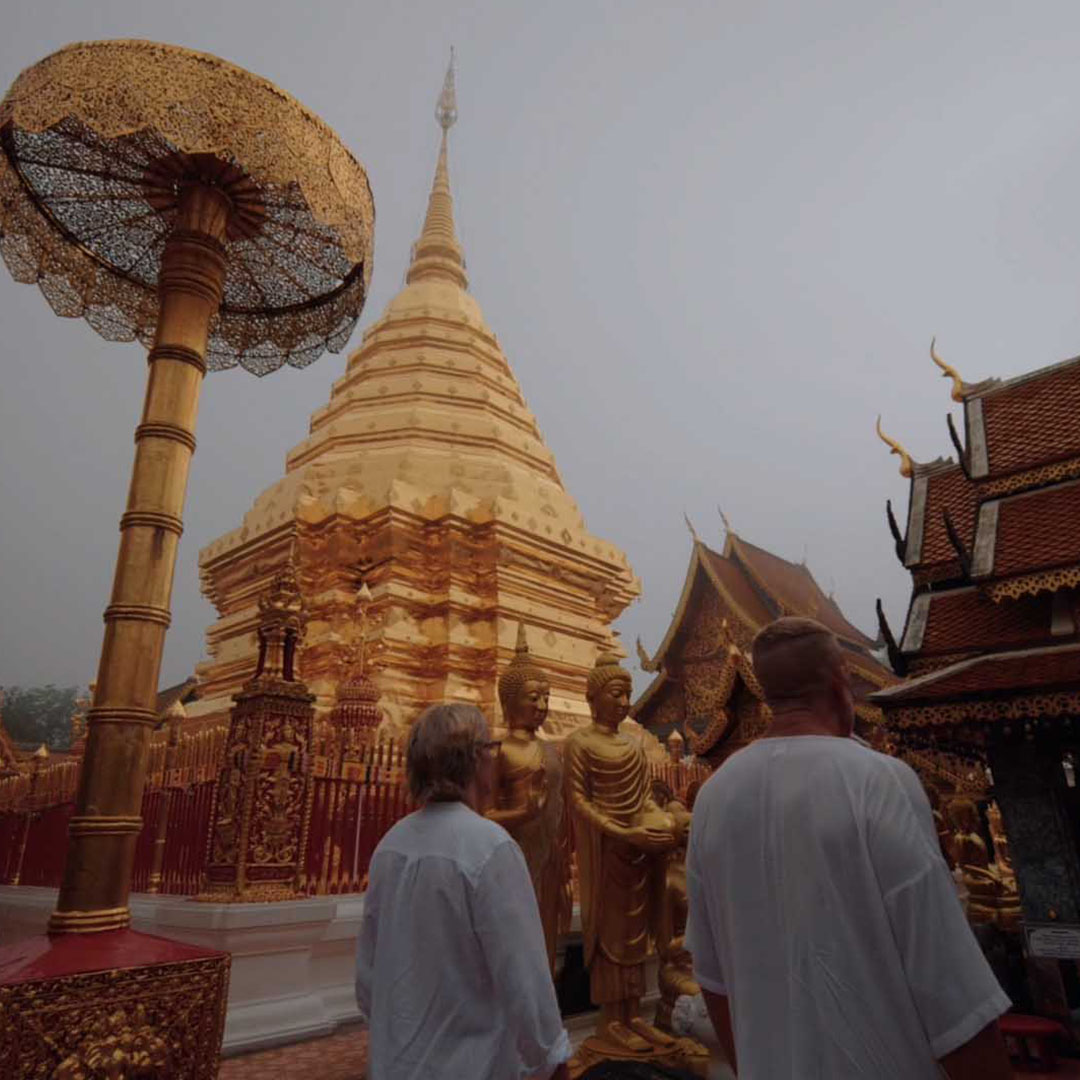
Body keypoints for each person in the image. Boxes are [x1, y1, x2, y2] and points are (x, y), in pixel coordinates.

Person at [685, 617, 1012, 1079]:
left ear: (765, 694)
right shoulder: (878, 780)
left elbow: (712, 979)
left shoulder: (713, 797)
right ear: (842, 682)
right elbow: (947, 980)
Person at [355, 703, 571, 1080]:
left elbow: (368, 980)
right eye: (491, 751)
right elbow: (525, 981)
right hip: (470, 1066)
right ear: (476, 760)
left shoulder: (391, 845)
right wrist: (551, 1060)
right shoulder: (489, 847)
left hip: (395, 1064)